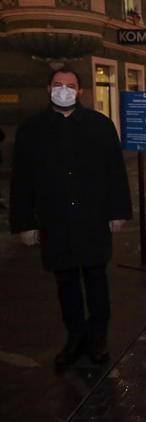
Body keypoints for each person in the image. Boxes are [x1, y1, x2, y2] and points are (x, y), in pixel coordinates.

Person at [10, 70, 132, 368]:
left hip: (92, 217)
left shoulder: (99, 125)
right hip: (54, 220)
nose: (63, 91)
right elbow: (21, 180)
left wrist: (118, 213)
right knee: (65, 281)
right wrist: (25, 223)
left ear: (80, 92)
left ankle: (99, 336)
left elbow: (114, 172)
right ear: (48, 88)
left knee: (96, 279)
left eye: (70, 86)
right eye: (58, 85)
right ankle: (75, 335)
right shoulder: (31, 129)